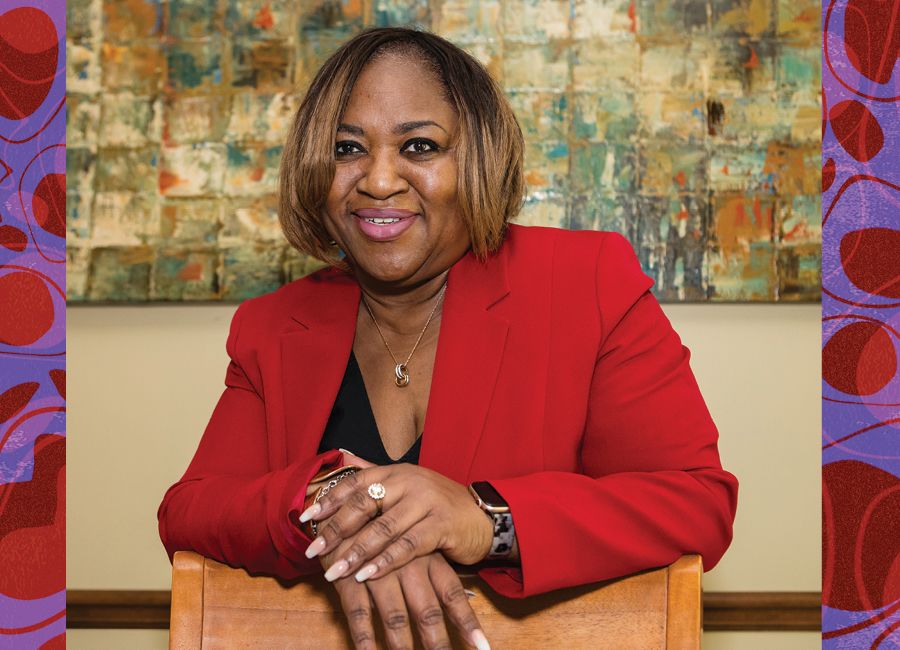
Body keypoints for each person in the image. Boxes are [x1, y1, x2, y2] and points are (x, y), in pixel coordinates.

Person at [157, 26, 738, 650]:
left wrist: (484, 519)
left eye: (420, 145)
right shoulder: (273, 324)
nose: (378, 180)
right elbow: (190, 512)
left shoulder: (588, 283)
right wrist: (338, 498)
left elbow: (695, 502)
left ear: (479, 159)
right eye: (347, 147)